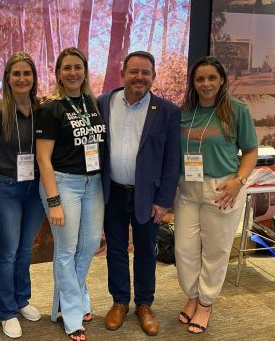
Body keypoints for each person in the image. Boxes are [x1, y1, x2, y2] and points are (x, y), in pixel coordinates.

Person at [97, 51, 181, 336]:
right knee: (116, 249)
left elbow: (172, 161)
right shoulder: (103, 103)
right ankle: (120, 301)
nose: (139, 77)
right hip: (113, 192)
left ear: (153, 77)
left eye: (146, 72)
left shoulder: (167, 111)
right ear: (123, 74)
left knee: (145, 251)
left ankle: (144, 304)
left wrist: (164, 200)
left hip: (148, 196)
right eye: (134, 71)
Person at [175, 56, 258, 334]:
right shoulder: (185, 111)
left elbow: (250, 151)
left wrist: (239, 181)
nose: (206, 83)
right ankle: (192, 295)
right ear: (193, 82)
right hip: (188, 187)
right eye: (200, 79)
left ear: (222, 80)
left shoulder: (236, 110)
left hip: (222, 188)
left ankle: (205, 303)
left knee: (215, 251)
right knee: (184, 249)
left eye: (212, 77)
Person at [35, 47, 106, 341]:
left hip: (94, 183)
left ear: (85, 72)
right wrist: (54, 201)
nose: (73, 73)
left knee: (88, 246)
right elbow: (43, 159)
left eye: (78, 67)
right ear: (58, 73)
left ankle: (65, 302)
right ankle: (73, 315)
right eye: (67, 68)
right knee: (66, 249)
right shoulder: (51, 108)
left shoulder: (92, 103)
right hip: (63, 183)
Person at [0, 52, 45, 338]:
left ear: (34, 78)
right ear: (7, 78)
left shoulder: (41, 109)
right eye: (16, 73)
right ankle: (6, 311)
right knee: (7, 252)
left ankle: (22, 300)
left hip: (35, 187)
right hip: (6, 187)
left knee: (25, 249)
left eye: (27, 73)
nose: (22, 78)